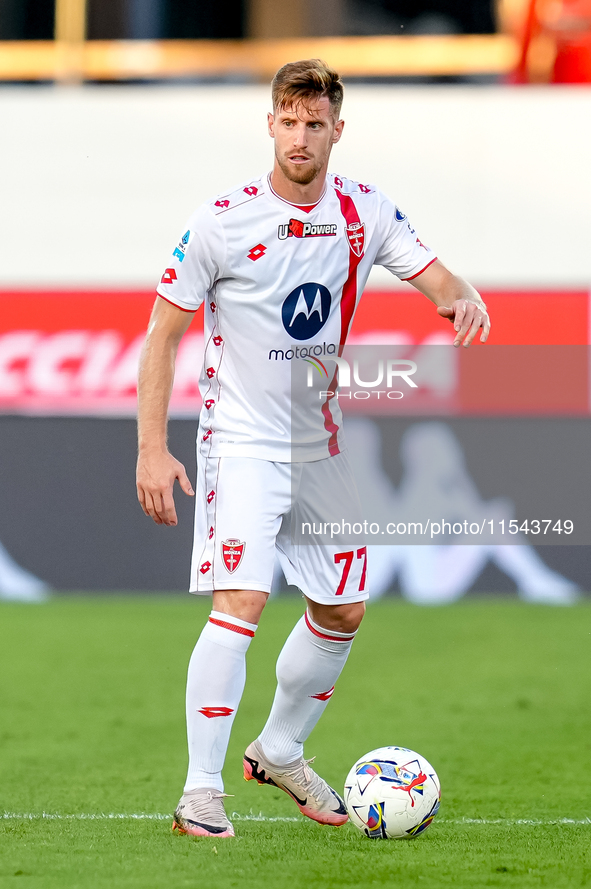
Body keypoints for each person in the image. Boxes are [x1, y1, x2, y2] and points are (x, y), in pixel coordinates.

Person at [136, 58, 490, 839]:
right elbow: (162, 334)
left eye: (314, 122)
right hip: (240, 442)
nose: (300, 136)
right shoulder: (222, 219)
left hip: (317, 445)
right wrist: (151, 448)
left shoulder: (364, 210)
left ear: (337, 128)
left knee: (342, 607)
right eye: (287, 121)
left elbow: (436, 279)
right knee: (244, 601)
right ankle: (200, 791)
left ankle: (280, 748)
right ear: (270, 124)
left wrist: (462, 298)